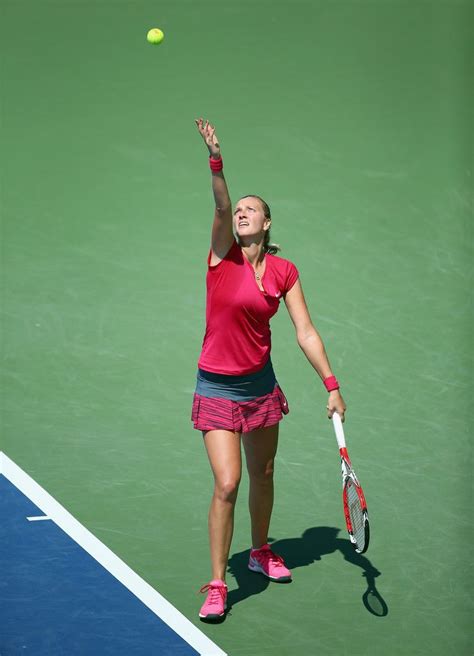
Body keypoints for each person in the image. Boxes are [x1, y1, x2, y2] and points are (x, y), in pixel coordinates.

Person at [193, 118, 346, 622]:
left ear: (268, 223)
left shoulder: (284, 272)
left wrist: (331, 384)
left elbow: (305, 331)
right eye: (237, 210)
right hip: (216, 386)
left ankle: (260, 551)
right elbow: (219, 202)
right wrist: (216, 161)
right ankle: (217, 583)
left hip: (260, 388)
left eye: (250, 210)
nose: (239, 213)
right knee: (228, 483)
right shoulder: (221, 255)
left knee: (263, 473)